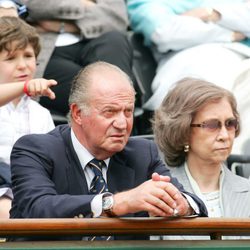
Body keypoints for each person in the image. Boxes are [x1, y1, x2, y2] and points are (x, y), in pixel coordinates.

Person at [9, 62, 207, 241]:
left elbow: (193, 203)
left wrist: (181, 204)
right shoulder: (35, 149)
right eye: (109, 112)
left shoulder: (143, 153)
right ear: (78, 113)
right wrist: (114, 203)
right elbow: (37, 207)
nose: (122, 124)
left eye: (128, 111)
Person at [127, 0, 250, 154]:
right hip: (192, 65)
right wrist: (232, 33)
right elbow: (166, 33)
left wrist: (211, 13)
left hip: (243, 59)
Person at [152, 77, 250, 240]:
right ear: (183, 132)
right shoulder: (162, 195)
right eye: (212, 125)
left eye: (230, 123)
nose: (225, 136)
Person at [21, 0, 136, 116]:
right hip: (48, 53)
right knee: (94, 86)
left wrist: (64, 26)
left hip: (94, 42)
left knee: (115, 41)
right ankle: (113, 121)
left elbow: (117, 19)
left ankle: (118, 117)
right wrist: (86, 4)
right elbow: (31, 5)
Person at [0, 16, 56, 219]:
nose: (23, 65)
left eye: (28, 56)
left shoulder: (41, 114)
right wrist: (23, 88)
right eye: (10, 58)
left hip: (31, 188)